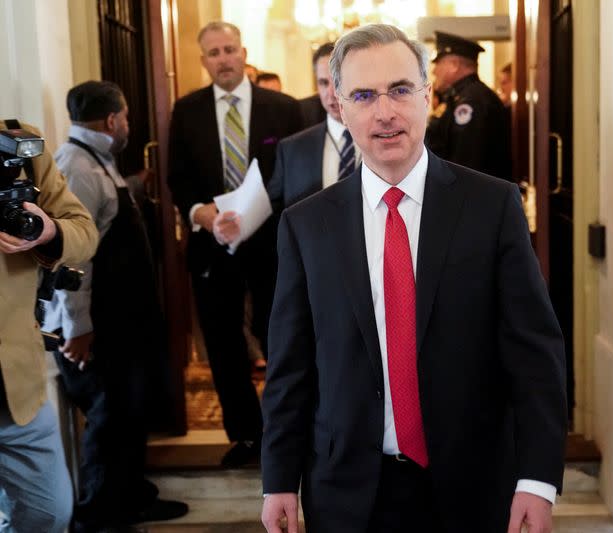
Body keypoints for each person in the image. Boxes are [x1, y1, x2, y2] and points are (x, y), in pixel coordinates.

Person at [261, 24, 567, 533]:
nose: (385, 112)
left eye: (401, 89)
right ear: (338, 105)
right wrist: (277, 480)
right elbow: (290, 369)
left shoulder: (491, 207)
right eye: (363, 95)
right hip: (347, 492)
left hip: (473, 486)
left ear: (427, 95)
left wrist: (536, 480)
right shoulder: (306, 225)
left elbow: (535, 355)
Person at [43, 80, 189, 531]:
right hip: (100, 327)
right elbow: (73, 258)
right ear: (112, 120)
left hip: (124, 323)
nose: (127, 124)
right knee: (109, 423)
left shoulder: (97, 162)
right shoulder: (78, 168)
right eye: (125, 118)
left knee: (129, 414)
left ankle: (132, 498)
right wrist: (78, 328)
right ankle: (102, 515)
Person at [167, 21, 303, 467]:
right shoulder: (185, 111)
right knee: (224, 348)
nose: (223, 59)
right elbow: (178, 179)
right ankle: (246, 438)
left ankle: (288, 434)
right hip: (213, 247)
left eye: (229, 49)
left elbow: (297, 174)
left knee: (280, 340)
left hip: (273, 244)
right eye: (213, 53)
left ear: (243, 52)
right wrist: (201, 214)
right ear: (203, 60)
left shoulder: (282, 108)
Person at [0, 119, 99, 532]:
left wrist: (47, 230)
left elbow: (84, 231)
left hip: (18, 387)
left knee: (51, 512)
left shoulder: (19, 142)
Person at [269, 42, 359, 208]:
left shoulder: (385, 138)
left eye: (338, 82)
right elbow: (275, 209)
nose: (331, 94)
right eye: (324, 83)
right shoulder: (291, 150)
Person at [425, 31, 512, 180]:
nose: (434, 70)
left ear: (454, 65)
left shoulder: (472, 101)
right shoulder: (463, 96)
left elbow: (466, 164)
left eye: (438, 63)